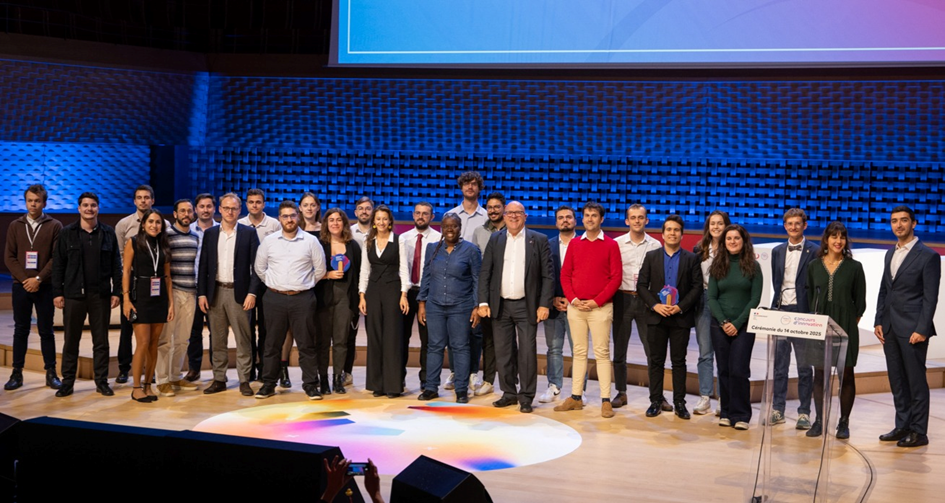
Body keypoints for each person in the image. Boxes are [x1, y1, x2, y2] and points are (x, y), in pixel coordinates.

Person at [874, 205, 940, 448]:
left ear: (914, 223)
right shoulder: (890, 253)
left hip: (913, 330)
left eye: (903, 220)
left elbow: (930, 297)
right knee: (897, 380)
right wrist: (879, 320)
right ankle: (902, 425)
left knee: (915, 381)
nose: (898, 225)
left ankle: (919, 431)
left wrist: (922, 329)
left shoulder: (928, 256)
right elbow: (884, 290)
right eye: (894, 221)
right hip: (890, 328)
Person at [478, 202, 553, 413]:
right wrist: (483, 302)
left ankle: (527, 396)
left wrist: (543, 304)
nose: (513, 216)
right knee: (503, 352)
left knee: (527, 352)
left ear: (525, 216)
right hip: (500, 305)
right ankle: (509, 393)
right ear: (504, 216)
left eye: (517, 213)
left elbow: (547, 276)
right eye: (509, 213)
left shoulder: (538, 240)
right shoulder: (496, 239)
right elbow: (486, 272)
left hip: (526, 305)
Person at [554, 202, 622, 418]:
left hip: (600, 308)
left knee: (602, 353)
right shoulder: (574, 244)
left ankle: (605, 401)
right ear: (582, 219)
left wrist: (596, 301)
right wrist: (573, 299)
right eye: (586, 215)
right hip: (576, 307)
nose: (590, 218)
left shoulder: (611, 245)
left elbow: (616, 278)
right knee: (579, 352)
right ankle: (575, 397)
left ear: (601, 219)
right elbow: (565, 275)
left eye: (594, 215)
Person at [254, 201, 327, 399]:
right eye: (285, 216)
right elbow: (260, 268)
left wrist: (304, 284)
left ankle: (311, 385)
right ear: (279, 218)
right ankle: (268, 384)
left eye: (292, 216)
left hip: (302, 299)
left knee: (306, 344)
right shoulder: (270, 241)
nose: (289, 219)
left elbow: (320, 270)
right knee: (272, 344)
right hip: (274, 299)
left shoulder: (310, 241)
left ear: (298, 217)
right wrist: (274, 283)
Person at [52, 192, 122, 397]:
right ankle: (68, 382)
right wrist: (57, 292)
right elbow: (58, 265)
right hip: (74, 294)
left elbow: (116, 265)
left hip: (100, 295)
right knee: (71, 340)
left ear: (98, 208)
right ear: (79, 208)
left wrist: (116, 291)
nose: (89, 209)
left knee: (101, 341)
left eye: (93, 205)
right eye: (85, 205)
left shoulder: (108, 233)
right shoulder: (67, 233)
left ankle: (101, 382)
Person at [637, 216, 703, 419]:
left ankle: (679, 403)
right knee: (655, 361)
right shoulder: (651, 256)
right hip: (656, 317)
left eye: (676, 230)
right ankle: (655, 401)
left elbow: (696, 287)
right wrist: (655, 305)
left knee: (679, 362)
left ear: (682, 234)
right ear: (663, 234)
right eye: (669, 230)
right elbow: (641, 285)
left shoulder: (691, 258)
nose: (672, 233)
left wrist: (680, 307)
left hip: (679, 318)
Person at [805, 221, 866, 439]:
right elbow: (811, 297)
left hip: (846, 327)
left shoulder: (854, 267)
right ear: (826, 240)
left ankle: (844, 422)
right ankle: (819, 420)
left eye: (842, 237)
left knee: (846, 374)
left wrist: (848, 324)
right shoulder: (814, 266)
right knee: (819, 374)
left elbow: (860, 303)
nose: (838, 241)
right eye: (834, 237)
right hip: (820, 326)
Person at [198, 193, 261, 396]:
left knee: (243, 339)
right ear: (220, 210)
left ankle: (244, 379)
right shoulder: (210, 234)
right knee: (217, 339)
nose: (230, 212)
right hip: (215, 292)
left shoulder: (248, 234)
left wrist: (252, 293)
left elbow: (257, 267)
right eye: (226, 208)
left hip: (240, 294)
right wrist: (201, 294)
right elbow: (203, 267)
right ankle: (219, 378)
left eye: (233, 208)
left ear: (239, 210)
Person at [4, 184, 63, 390]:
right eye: (30, 200)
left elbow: (57, 258)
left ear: (44, 203)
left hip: (44, 286)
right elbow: (9, 257)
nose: (33, 204)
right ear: (25, 201)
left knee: (46, 331)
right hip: (21, 286)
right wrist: (24, 280)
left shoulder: (54, 225)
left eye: (37, 201)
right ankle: (16, 373)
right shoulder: (15, 225)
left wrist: (38, 279)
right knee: (21, 330)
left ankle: (51, 373)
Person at [418, 213, 481, 403]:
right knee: (434, 346)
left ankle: (461, 389)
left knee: (460, 346)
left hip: (461, 306)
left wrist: (477, 306)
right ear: (441, 228)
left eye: (453, 226)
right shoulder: (432, 249)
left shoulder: (471, 250)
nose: (450, 230)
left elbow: (477, 280)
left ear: (459, 228)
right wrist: (422, 303)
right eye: (446, 226)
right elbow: (426, 276)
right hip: (435, 305)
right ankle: (431, 388)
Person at [708, 224, 763, 430]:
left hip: (744, 325)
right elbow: (712, 297)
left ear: (743, 241)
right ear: (724, 242)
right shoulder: (717, 265)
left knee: (739, 369)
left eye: (736, 238)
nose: (732, 241)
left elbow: (755, 298)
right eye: (729, 238)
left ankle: (741, 415)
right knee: (724, 369)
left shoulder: (753, 267)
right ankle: (726, 411)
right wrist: (723, 322)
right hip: (719, 325)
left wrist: (737, 323)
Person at [769, 208, 818, 430]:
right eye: (789, 224)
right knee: (780, 365)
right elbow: (777, 282)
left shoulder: (815, 251)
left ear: (804, 225)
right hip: (781, 312)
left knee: (804, 367)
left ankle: (804, 412)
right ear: (785, 226)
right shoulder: (777, 251)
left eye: (797, 223)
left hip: (803, 313)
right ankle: (777, 409)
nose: (793, 227)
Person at [613, 204, 665, 411]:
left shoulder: (655, 245)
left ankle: (658, 395)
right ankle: (621, 391)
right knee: (619, 350)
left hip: (646, 301)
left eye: (640, 217)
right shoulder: (616, 244)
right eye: (632, 217)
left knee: (652, 350)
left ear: (646, 220)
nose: (636, 221)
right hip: (622, 299)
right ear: (627, 221)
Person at [122, 209, 174, 402]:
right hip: (140, 297)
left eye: (158, 222)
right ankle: (136, 387)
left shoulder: (163, 244)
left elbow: (168, 277)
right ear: (143, 224)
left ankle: (147, 385)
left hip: (159, 297)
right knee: (142, 343)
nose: (154, 225)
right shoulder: (133, 242)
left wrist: (170, 304)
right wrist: (126, 299)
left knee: (154, 344)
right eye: (150, 222)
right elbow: (126, 271)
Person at [358, 205, 409, 398]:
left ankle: (393, 386)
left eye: (384, 219)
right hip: (373, 291)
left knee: (392, 338)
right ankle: (377, 385)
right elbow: (365, 269)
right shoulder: (367, 241)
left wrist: (404, 294)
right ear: (373, 221)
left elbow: (404, 268)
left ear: (390, 222)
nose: (381, 222)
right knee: (375, 337)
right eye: (377, 219)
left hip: (392, 290)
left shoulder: (399, 240)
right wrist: (362, 295)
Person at [114, 184, 160, 384]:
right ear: (134, 201)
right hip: (132, 283)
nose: (143, 200)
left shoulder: (160, 223)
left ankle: (151, 372)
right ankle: (124, 369)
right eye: (139, 198)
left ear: (152, 200)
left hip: (154, 285)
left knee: (152, 335)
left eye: (147, 197)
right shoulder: (124, 224)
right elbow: (118, 257)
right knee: (127, 329)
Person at [155, 200, 201, 396]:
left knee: (183, 340)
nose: (186, 214)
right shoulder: (166, 236)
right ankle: (162, 380)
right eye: (182, 211)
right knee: (165, 339)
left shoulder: (196, 236)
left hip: (191, 293)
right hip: (171, 293)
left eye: (189, 211)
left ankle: (175, 376)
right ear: (174, 214)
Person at [316, 208, 362, 395]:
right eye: (331, 220)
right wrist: (327, 275)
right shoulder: (318, 244)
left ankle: (337, 379)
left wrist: (359, 300)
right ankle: (324, 380)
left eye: (338, 220)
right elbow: (309, 272)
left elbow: (359, 275)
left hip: (345, 299)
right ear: (326, 223)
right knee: (323, 343)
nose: (335, 223)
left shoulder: (353, 246)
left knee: (342, 341)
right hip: (323, 300)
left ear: (344, 223)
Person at [239, 188, 281, 381]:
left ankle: (265, 369)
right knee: (246, 328)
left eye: (258, 202)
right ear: (246, 204)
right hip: (245, 284)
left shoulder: (274, 225)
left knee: (266, 328)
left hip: (268, 284)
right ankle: (248, 371)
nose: (254, 205)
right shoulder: (239, 224)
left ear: (264, 204)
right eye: (251, 202)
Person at [468, 191, 507, 396]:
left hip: (510, 293)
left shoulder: (514, 230)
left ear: (504, 208)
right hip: (487, 295)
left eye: (497, 207)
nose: (492, 211)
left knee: (509, 340)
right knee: (488, 340)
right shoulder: (479, 232)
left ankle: (511, 381)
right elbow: (476, 268)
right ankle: (489, 380)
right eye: (489, 207)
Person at [692, 210, 730, 414]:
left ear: (727, 226)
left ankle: (723, 398)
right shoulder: (699, 249)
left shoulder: (733, 247)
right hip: (704, 301)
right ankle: (705, 396)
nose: (716, 227)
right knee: (705, 352)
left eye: (720, 223)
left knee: (724, 353)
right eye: (712, 223)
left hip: (725, 302)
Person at [399, 202, 441, 390]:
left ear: (432, 217)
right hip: (407, 293)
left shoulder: (439, 239)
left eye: (425, 214)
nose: (421, 216)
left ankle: (426, 379)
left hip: (430, 294)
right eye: (417, 213)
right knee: (401, 337)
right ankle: (399, 377)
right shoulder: (403, 238)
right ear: (413, 215)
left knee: (428, 340)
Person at [540, 205, 577, 404]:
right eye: (561, 218)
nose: (565, 220)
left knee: (577, 350)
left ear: (575, 221)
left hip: (578, 306)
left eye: (568, 217)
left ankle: (579, 390)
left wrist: (573, 300)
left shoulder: (583, 244)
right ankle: (554, 387)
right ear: (556, 223)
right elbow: (543, 275)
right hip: (554, 306)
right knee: (554, 348)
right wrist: (552, 298)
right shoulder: (547, 244)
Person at [185, 193, 218, 382]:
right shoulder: (186, 229)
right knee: (194, 331)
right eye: (202, 206)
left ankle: (217, 369)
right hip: (192, 289)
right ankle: (194, 368)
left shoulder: (223, 230)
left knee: (216, 331)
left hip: (215, 289)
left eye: (209, 206)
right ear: (195, 209)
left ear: (214, 209)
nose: (205, 210)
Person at [346, 195, 375, 386]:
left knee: (376, 331)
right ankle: (346, 372)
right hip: (352, 288)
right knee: (348, 332)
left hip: (376, 288)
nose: (364, 211)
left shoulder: (380, 231)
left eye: (368, 208)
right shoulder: (347, 233)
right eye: (361, 208)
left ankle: (376, 374)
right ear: (355, 212)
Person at [450, 171, 488, 243]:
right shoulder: (450, 215)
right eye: (466, 184)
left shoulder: (486, 218)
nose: (470, 187)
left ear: (479, 188)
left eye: (473, 184)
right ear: (461, 188)